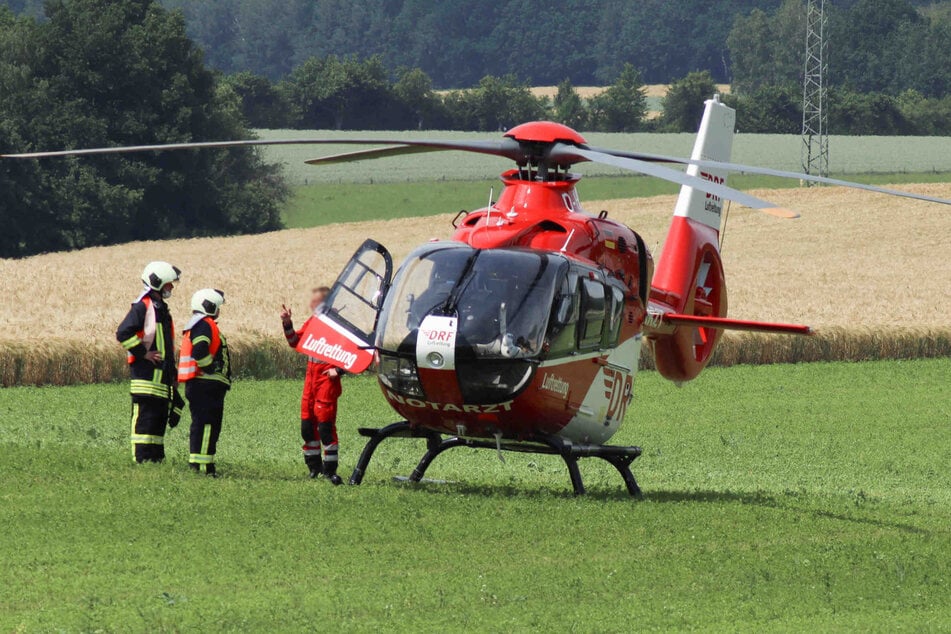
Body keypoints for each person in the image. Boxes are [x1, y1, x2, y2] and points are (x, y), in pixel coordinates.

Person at [116, 261, 183, 463]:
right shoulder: (143, 305)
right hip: (146, 377)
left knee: (157, 420)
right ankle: (141, 459)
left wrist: (172, 374)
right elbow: (123, 332)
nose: (171, 287)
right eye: (169, 284)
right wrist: (142, 353)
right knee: (144, 421)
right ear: (157, 281)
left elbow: (166, 345)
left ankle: (155, 460)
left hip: (160, 378)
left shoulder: (160, 307)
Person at [280, 286, 344, 484]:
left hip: (326, 381)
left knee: (325, 427)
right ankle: (314, 468)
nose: (312, 305)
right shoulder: (314, 322)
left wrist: (339, 370)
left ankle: (329, 470)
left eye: (316, 302)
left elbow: (355, 354)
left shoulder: (339, 326)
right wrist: (287, 323)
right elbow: (295, 342)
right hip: (310, 382)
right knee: (307, 428)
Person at [178, 289, 231, 477]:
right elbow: (200, 350)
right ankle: (203, 469)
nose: (219, 310)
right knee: (207, 425)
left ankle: (199, 465)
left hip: (202, 385)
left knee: (202, 425)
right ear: (210, 305)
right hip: (206, 385)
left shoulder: (200, 324)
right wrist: (210, 368)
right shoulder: (204, 325)